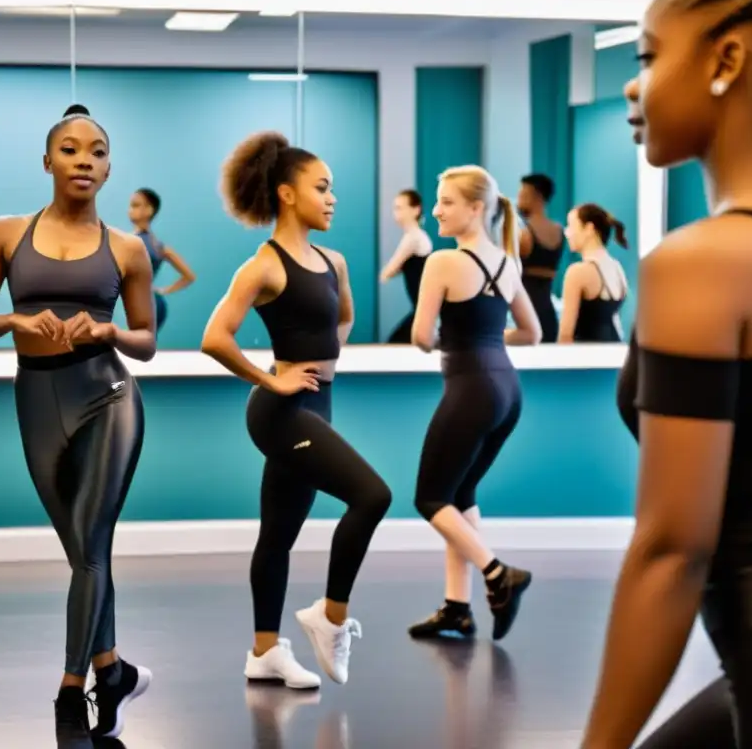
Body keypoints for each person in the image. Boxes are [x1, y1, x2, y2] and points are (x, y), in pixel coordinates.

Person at [582, 0, 752, 747]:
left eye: (649, 56)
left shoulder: (707, 262)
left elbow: (672, 552)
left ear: (727, 60)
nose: (632, 84)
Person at [0, 105, 153, 745]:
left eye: (97, 152)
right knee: (81, 550)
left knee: (93, 538)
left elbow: (146, 340)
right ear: (48, 162)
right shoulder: (6, 234)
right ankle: (113, 668)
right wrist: (16, 321)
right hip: (36, 399)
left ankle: (72, 691)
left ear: (108, 168)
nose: (85, 161)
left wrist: (108, 329)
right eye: (71, 150)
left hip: (109, 393)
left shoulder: (127, 249)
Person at [202, 130, 392, 690]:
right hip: (280, 414)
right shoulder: (263, 265)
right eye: (323, 187)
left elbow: (342, 322)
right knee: (372, 495)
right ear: (287, 194)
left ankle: (263, 653)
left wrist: (319, 364)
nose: (332, 198)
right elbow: (216, 337)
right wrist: (272, 377)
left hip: (318, 405)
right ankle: (330, 618)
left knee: (278, 536)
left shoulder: (333, 261)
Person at [406, 165, 540, 641]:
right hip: (506, 389)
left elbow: (421, 336)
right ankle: (456, 607)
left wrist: (457, 340)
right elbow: (532, 333)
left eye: (445, 202)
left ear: (477, 208)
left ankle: (497, 572)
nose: (437, 210)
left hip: (471, 390)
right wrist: (483, 337)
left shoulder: (443, 263)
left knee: (429, 497)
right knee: (460, 495)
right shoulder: (508, 262)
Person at [557, 204, 629, 343]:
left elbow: (565, 335)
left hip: (585, 359)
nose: (567, 233)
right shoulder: (617, 268)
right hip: (613, 354)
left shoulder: (577, 272)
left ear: (589, 229)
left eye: (571, 226)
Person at [128, 187, 196, 333]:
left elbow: (189, 276)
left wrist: (164, 290)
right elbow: (189, 276)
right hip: (152, 303)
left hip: (143, 306)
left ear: (149, 210)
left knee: (140, 346)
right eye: (131, 205)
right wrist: (162, 291)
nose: (130, 210)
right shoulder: (159, 246)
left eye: (135, 205)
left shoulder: (130, 243)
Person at [379, 189, 433, 343]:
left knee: (395, 342)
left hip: (422, 309)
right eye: (395, 208)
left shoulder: (413, 238)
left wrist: (387, 272)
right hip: (421, 308)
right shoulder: (414, 236)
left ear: (415, 210)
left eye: (400, 208)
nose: (396, 212)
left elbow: (389, 271)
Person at [517, 173, 564, 342]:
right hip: (548, 314)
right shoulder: (559, 231)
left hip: (525, 316)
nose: (518, 201)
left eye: (522, 196)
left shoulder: (523, 235)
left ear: (536, 197)